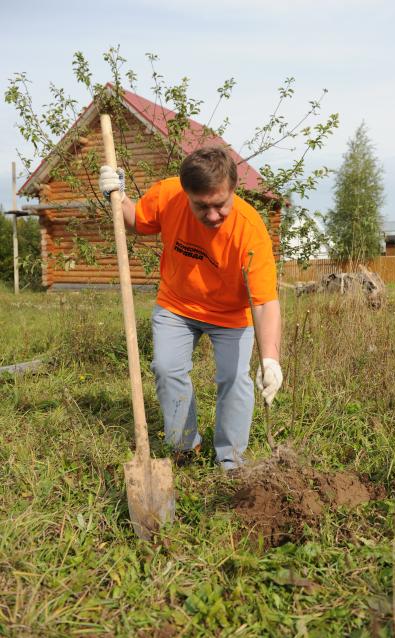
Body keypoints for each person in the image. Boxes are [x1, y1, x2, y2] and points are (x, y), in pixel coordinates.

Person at [99, 146, 282, 470]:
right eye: (202, 206)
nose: (212, 216)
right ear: (186, 194)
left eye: (220, 206)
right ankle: (185, 447)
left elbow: (266, 302)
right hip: (177, 304)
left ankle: (231, 460)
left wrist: (270, 359)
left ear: (233, 191)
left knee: (235, 378)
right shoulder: (168, 195)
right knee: (167, 368)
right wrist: (119, 195)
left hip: (230, 315)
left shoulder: (249, 229)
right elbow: (136, 221)